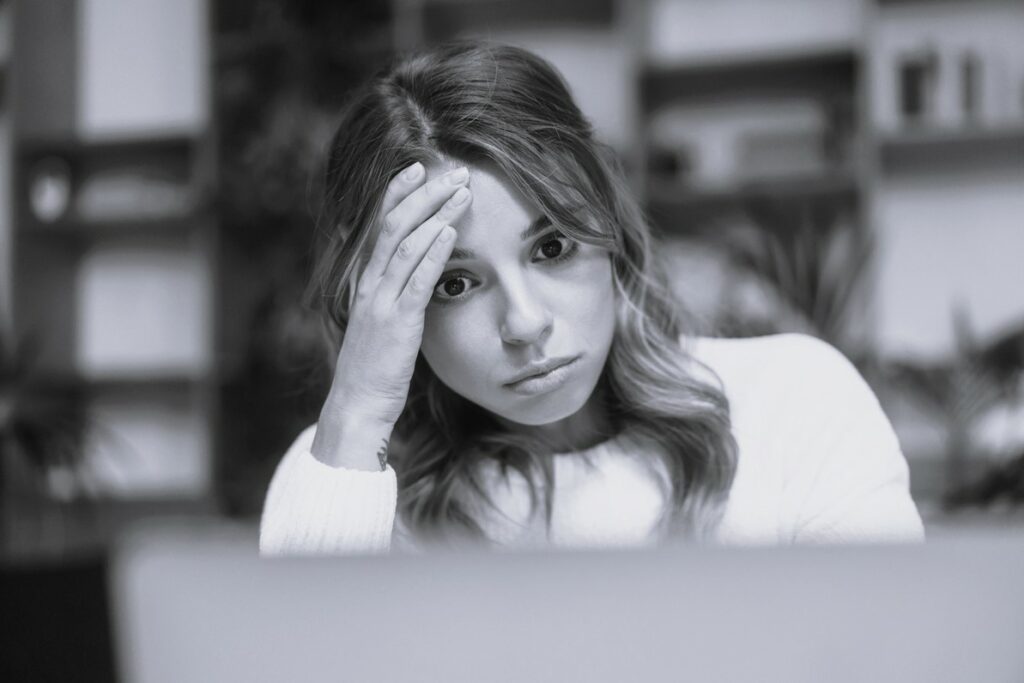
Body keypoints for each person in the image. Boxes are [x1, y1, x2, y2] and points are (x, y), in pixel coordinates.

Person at [259, 41, 924, 556]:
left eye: (550, 247)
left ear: (607, 224)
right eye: (453, 284)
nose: (525, 323)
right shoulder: (341, 476)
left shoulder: (794, 402)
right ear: (384, 301)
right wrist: (359, 408)